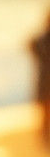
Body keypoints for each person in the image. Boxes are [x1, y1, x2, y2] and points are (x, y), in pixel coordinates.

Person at [30, 9, 50, 147]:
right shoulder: (41, 40)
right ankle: (45, 138)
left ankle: (45, 138)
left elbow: (31, 46)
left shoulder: (39, 40)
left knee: (45, 113)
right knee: (45, 112)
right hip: (44, 82)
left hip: (43, 82)